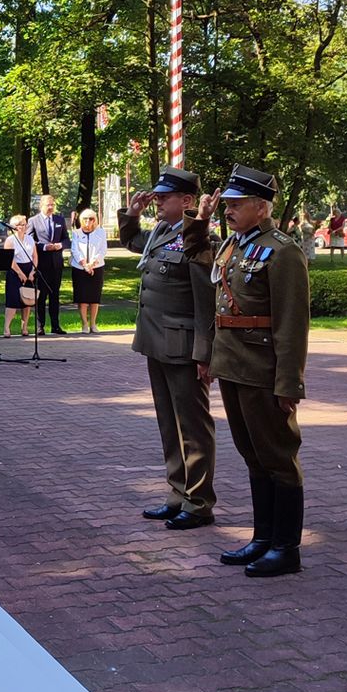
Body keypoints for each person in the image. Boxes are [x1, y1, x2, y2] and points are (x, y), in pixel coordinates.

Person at [187, 165, 309, 578]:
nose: (229, 211)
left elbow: (292, 324)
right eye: (228, 205)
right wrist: (199, 220)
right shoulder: (234, 248)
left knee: (278, 458)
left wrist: (289, 382)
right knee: (252, 456)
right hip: (234, 366)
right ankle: (262, 539)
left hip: (264, 370)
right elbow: (198, 262)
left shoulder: (282, 251)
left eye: (237, 205)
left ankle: (286, 548)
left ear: (261, 207)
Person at [119, 166, 217, 530]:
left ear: (188, 201)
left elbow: (206, 300)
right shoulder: (163, 231)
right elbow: (133, 243)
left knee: (193, 426)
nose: (156, 200)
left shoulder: (199, 239)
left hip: (183, 345)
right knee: (168, 423)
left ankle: (199, 500)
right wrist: (131, 215)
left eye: (164, 196)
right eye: (157, 196)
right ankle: (178, 492)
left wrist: (205, 352)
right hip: (157, 341)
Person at [28, 194, 69, 335]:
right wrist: (45, 247)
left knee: (54, 295)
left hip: (56, 264)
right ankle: (40, 326)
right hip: (41, 264)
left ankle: (55, 326)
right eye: (48, 205)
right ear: (41, 206)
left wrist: (60, 245)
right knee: (41, 296)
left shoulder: (59, 220)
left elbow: (66, 239)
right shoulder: (33, 221)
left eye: (53, 205)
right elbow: (30, 241)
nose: (51, 207)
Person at [70, 209, 107, 333]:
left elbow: (102, 250)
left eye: (91, 218)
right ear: (81, 220)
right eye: (85, 218)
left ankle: (93, 323)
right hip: (80, 268)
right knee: (83, 298)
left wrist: (93, 263)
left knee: (94, 298)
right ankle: (84, 324)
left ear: (95, 220)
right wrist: (84, 264)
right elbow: (74, 250)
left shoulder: (101, 232)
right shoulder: (76, 233)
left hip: (96, 267)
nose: (88, 221)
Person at [2, 215, 38, 337]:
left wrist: (32, 271)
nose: (23, 227)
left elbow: (35, 256)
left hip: (29, 269)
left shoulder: (30, 239)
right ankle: (7, 328)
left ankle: (24, 327)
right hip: (15, 270)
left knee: (27, 300)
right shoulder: (10, 240)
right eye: (20, 225)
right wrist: (20, 273)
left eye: (24, 224)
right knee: (13, 300)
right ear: (14, 227)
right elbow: (10, 260)